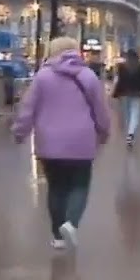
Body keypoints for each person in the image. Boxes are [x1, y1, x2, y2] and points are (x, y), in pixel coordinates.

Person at [12, 36, 111, 251]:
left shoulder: (42, 77)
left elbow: (28, 108)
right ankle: (71, 223)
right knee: (79, 186)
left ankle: (57, 236)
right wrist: (104, 131)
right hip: (82, 141)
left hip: (49, 142)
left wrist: (20, 131)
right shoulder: (88, 76)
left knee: (56, 188)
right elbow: (100, 109)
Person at [111, 48, 140, 147]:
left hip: (124, 94)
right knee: (135, 115)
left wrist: (116, 93)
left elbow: (120, 81)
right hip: (137, 93)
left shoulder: (122, 67)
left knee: (127, 115)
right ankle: (131, 133)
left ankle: (129, 132)